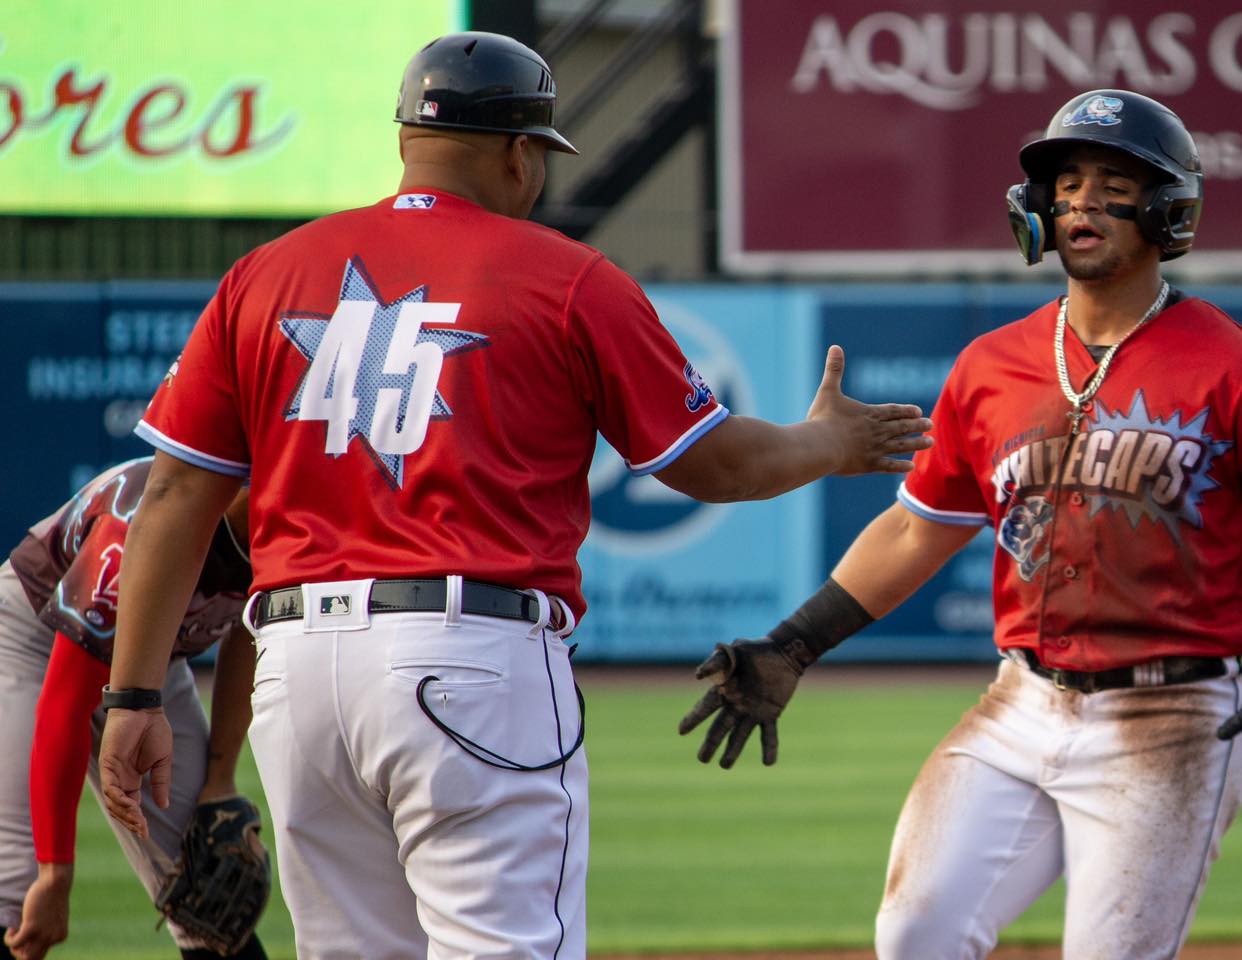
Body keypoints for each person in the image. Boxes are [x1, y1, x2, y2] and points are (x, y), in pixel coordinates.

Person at [95, 31, 931, 960]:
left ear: (407, 138)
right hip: (468, 663)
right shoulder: (566, 277)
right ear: (519, 153)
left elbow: (174, 493)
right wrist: (832, 441)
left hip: (296, 677)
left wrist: (132, 695)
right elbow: (710, 464)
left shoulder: (264, 275)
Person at [679, 89, 1242, 960]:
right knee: (915, 931)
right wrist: (795, 643)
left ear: (1169, 210)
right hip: (1023, 701)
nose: (1080, 199)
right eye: (1066, 181)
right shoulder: (992, 365)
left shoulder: (1240, 371)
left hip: (1176, 717)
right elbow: (916, 530)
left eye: (1113, 182)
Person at [0, 458, 266, 960]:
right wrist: (57, 873)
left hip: (151, 653)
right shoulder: (137, 531)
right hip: (30, 634)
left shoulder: (285, 528)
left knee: (207, 886)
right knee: (15, 885)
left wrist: (221, 779)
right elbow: (65, 703)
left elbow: (248, 635)